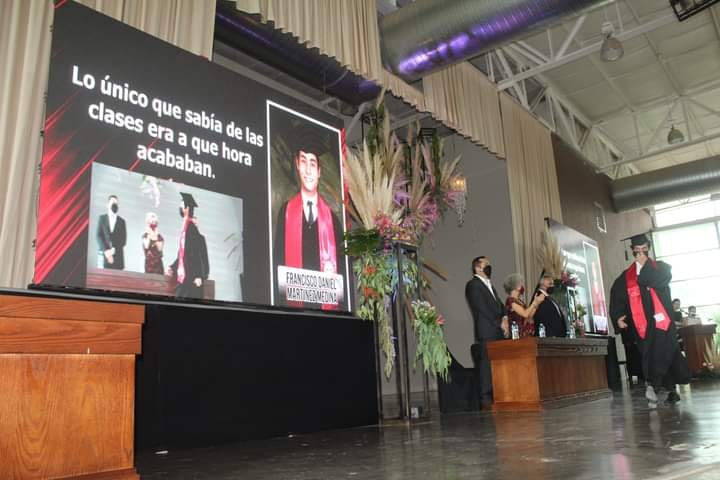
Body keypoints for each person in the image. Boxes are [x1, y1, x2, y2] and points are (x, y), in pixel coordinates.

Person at [609, 233, 690, 408]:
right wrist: (618, 316)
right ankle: (653, 386)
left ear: (649, 248)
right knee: (650, 355)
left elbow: (652, 281)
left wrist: (644, 266)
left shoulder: (661, 268)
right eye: (637, 250)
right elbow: (617, 296)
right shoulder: (626, 277)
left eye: (643, 249)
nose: (640, 253)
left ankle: (669, 389)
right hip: (643, 326)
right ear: (632, 251)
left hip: (663, 322)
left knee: (668, 352)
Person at [273, 124, 345, 309]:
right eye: (303, 161)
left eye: (312, 163)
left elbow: (340, 276)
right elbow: (278, 263)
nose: (307, 170)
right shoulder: (286, 212)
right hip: (294, 309)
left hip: (325, 312)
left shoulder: (333, 220)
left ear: (320, 171)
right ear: (297, 164)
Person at [465, 256, 509, 408]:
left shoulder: (490, 285)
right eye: (486, 264)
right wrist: (498, 322)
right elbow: (481, 308)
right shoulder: (473, 285)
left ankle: (499, 395)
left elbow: (500, 305)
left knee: (498, 364)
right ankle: (486, 399)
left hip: (497, 329)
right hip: (487, 330)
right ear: (477, 268)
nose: (490, 266)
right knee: (486, 366)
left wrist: (504, 318)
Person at [166, 193, 209, 299]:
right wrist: (172, 267)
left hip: (191, 278)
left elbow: (197, 253)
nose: (180, 208)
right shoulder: (186, 228)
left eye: (181, 205)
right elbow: (183, 255)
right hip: (185, 277)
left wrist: (199, 275)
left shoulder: (191, 228)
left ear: (187, 208)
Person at [503, 273, 546, 337]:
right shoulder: (510, 301)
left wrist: (536, 303)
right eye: (520, 283)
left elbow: (529, 315)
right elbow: (525, 314)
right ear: (514, 286)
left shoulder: (520, 301)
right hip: (517, 335)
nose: (522, 285)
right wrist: (534, 302)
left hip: (526, 334)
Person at [96, 194, 127, 270]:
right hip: (104, 256)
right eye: (113, 202)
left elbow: (123, 240)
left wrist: (113, 250)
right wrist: (106, 251)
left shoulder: (122, 221)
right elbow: (98, 235)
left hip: (118, 259)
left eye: (116, 203)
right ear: (107, 204)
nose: (114, 204)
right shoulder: (102, 218)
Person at [533, 273, 567, 337]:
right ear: (542, 284)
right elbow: (541, 318)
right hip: (548, 337)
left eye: (552, 284)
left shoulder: (549, 298)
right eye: (550, 284)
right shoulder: (539, 297)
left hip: (557, 337)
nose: (552, 286)